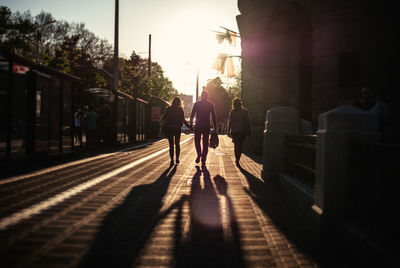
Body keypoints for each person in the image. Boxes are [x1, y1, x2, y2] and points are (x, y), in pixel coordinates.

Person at [190, 89, 217, 166]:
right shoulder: (210, 104)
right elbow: (213, 116)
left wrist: (191, 124)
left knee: (197, 141)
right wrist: (215, 127)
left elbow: (192, 115)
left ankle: (199, 154)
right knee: (205, 143)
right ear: (207, 96)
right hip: (206, 126)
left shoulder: (197, 104)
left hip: (198, 126)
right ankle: (203, 159)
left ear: (201, 96)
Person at [161, 97, 191, 166]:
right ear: (179, 103)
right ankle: (177, 159)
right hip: (177, 129)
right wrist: (190, 127)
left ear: (173, 102)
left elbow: (164, 118)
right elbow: (183, 120)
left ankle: (172, 160)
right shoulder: (180, 110)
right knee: (177, 144)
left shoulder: (169, 109)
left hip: (169, 128)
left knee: (171, 145)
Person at [228, 98, 251, 166]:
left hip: (234, 131)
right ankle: (238, 159)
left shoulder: (232, 112)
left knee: (236, 145)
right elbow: (248, 122)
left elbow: (230, 122)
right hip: (242, 131)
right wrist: (249, 131)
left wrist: (228, 131)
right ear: (240, 103)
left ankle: (237, 159)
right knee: (240, 145)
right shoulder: (245, 111)